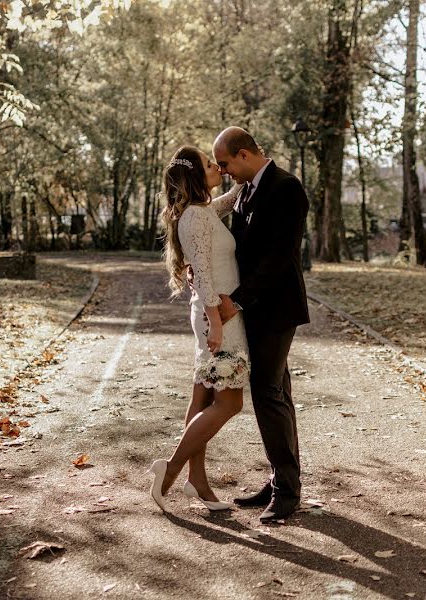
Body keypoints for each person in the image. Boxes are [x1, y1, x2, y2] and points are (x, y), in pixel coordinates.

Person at [212, 126, 310, 523]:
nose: (223, 171)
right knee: (276, 394)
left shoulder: (286, 187)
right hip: (256, 308)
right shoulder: (246, 190)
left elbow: (278, 258)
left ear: (244, 155)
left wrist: (237, 301)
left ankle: (287, 492)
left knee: (268, 393)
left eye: (225, 163)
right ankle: (280, 479)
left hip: (276, 307)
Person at [148, 145, 248, 513]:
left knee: (203, 399)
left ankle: (198, 481)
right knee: (230, 402)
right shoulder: (192, 218)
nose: (216, 167)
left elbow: (224, 202)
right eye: (210, 165)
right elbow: (203, 275)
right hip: (217, 318)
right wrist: (218, 323)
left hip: (215, 316)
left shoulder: (202, 212)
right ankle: (171, 471)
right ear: (194, 175)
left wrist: (251, 173)